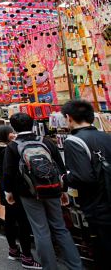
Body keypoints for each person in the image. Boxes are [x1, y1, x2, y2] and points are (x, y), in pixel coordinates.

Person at [3, 113, 81, 270]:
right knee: (60, 228)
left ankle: (50, 267)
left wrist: (8, 191)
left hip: (28, 193)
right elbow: (60, 166)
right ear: (32, 124)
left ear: (14, 127)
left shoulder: (13, 146)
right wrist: (63, 190)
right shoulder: (46, 141)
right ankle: (75, 265)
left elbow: (8, 172)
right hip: (52, 189)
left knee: (40, 230)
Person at [61, 100, 111, 270]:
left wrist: (65, 178)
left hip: (97, 205)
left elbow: (83, 177)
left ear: (69, 118)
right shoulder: (106, 137)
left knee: (103, 250)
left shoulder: (74, 141)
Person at [0, 125, 41, 269]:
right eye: (11, 133)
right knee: (23, 222)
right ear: (5, 135)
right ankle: (27, 257)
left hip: (5, 187)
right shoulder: (8, 149)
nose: (14, 134)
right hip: (15, 188)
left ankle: (13, 249)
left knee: (10, 219)